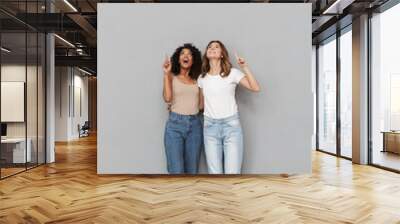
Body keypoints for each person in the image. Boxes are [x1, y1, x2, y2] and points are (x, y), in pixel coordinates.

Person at [198, 40, 260, 174]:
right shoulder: (201, 78)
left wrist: (245, 67)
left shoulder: (233, 73)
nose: (212, 48)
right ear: (206, 54)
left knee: (233, 173)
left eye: (216, 47)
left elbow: (255, 88)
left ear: (222, 54)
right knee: (214, 174)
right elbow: (201, 105)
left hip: (231, 126)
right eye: (209, 47)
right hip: (209, 127)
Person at [163, 43, 203, 174]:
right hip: (175, 125)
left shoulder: (198, 80)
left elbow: (201, 106)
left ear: (193, 59)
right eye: (182, 54)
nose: (186, 56)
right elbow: (167, 98)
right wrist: (165, 74)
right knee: (176, 171)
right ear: (178, 59)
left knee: (192, 171)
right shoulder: (171, 76)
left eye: (189, 54)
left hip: (195, 125)